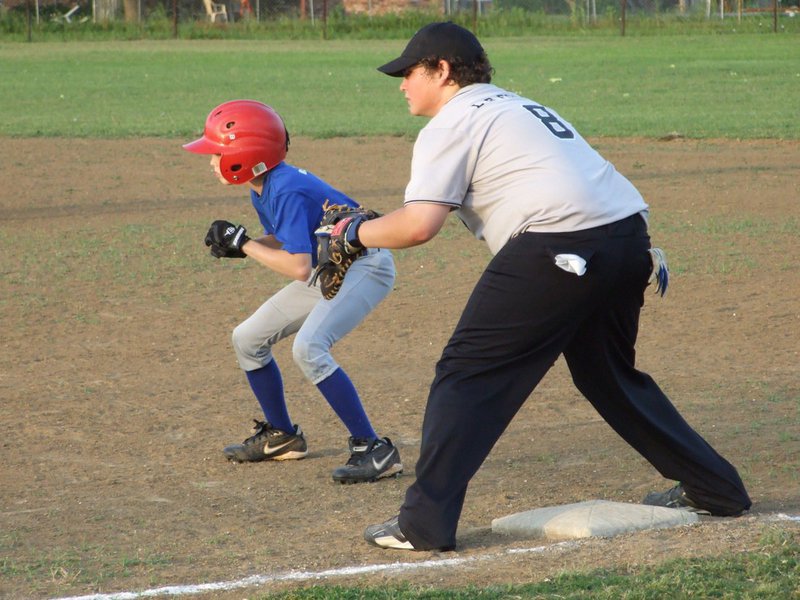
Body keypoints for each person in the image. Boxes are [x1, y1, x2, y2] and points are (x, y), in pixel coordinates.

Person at [330, 22, 752, 550]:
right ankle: (715, 488)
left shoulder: (454, 119)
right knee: (607, 375)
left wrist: (353, 234)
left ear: (443, 70)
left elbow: (419, 225)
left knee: (466, 374)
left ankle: (423, 524)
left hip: (559, 245)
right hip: (628, 240)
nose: (402, 84)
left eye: (410, 71)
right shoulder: (517, 105)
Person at [182, 99, 402, 484]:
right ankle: (282, 436)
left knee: (309, 347)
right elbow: (288, 239)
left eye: (217, 153)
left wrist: (246, 244)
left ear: (245, 156)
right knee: (247, 338)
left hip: (365, 267)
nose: (211, 161)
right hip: (333, 265)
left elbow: (299, 267)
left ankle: (374, 449)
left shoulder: (284, 188)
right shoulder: (264, 185)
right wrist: (245, 244)